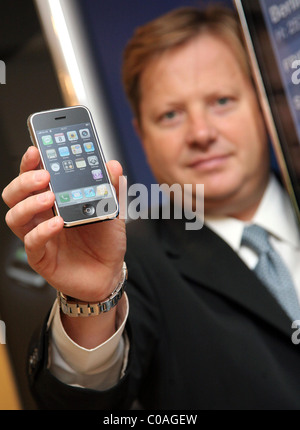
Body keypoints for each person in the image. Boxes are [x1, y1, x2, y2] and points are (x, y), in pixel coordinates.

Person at [3, 4, 300, 410]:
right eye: (171, 114)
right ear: (142, 133)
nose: (201, 133)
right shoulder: (130, 264)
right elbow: (87, 402)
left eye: (222, 101)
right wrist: (91, 303)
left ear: (262, 104)